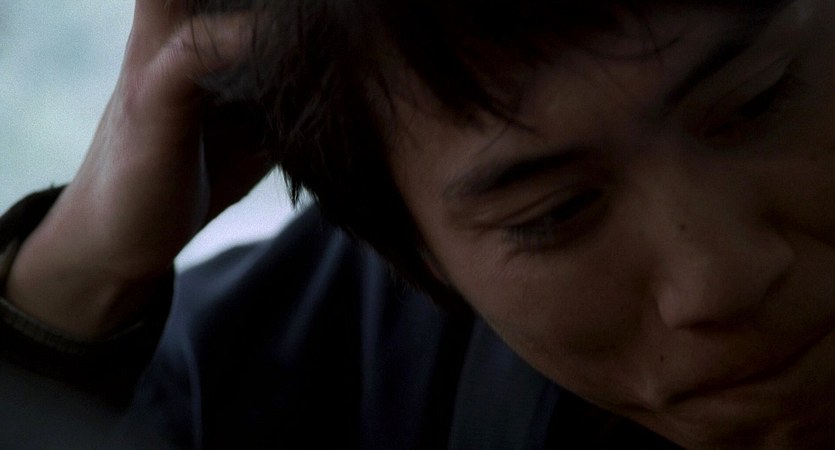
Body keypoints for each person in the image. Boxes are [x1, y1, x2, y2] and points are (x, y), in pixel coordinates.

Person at [2, 0, 835, 447]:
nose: (721, 279)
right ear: (419, 256)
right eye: (555, 214)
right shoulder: (361, 360)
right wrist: (76, 286)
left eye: (759, 100)